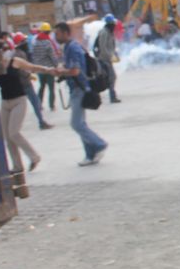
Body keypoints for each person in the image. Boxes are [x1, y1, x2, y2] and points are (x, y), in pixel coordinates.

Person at [0, 38, 56, 173]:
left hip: (19, 99)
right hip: (5, 102)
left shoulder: (14, 62)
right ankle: (17, 166)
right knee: (7, 136)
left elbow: (32, 67)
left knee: (14, 132)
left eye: (2, 51)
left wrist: (49, 70)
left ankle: (34, 157)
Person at [54, 22, 108, 167]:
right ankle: (90, 155)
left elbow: (76, 71)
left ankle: (99, 144)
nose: (55, 36)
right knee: (81, 123)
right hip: (76, 88)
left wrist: (62, 71)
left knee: (76, 124)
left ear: (66, 33)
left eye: (57, 33)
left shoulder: (73, 48)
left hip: (80, 88)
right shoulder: (69, 47)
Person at [12, 34, 52, 130]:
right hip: (25, 83)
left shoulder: (17, 53)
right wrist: (28, 75)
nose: (26, 43)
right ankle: (41, 122)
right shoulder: (20, 54)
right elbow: (21, 69)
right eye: (24, 41)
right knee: (35, 102)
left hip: (20, 83)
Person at [31, 22, 60, 114]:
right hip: (49, 69)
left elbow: (34, 56)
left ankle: (39, 105)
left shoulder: (35, 42)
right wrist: (57, 66)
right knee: (51, 88)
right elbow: (52, 56)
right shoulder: (48, 42)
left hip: (40, 69)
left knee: (41, 87)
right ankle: (52, 105)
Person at [94, 14, 121, 103]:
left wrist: (115, 54)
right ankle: (111, 97)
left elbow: (112, 46)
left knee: (109, 78)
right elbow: (103, 47)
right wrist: (109, 56)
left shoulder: (110, 32)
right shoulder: (104, 32)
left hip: (107, 58)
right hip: (103, 59)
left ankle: (110, 95)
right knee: (111, 77)